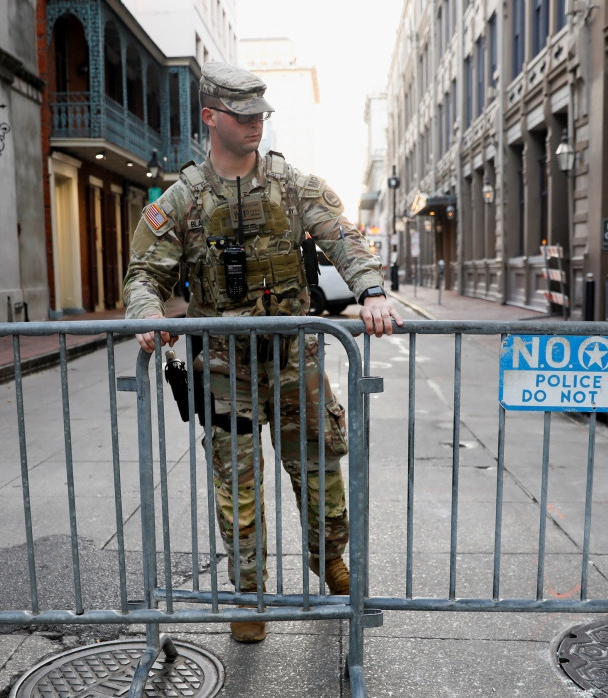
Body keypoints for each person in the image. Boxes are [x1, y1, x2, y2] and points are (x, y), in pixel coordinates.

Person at [122, 62, 403, 643]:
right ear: (210, 117)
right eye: (243, 116)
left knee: (322, 471)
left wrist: (371, 290)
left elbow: (344, 238)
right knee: (238, 486)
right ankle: (248, 594)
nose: (255, 125)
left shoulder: (294, 185)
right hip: (225, 370)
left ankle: (328, 560)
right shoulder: (182, 199)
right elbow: (144, 274)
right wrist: (147, 314)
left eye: (260, 116)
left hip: (296, 364)